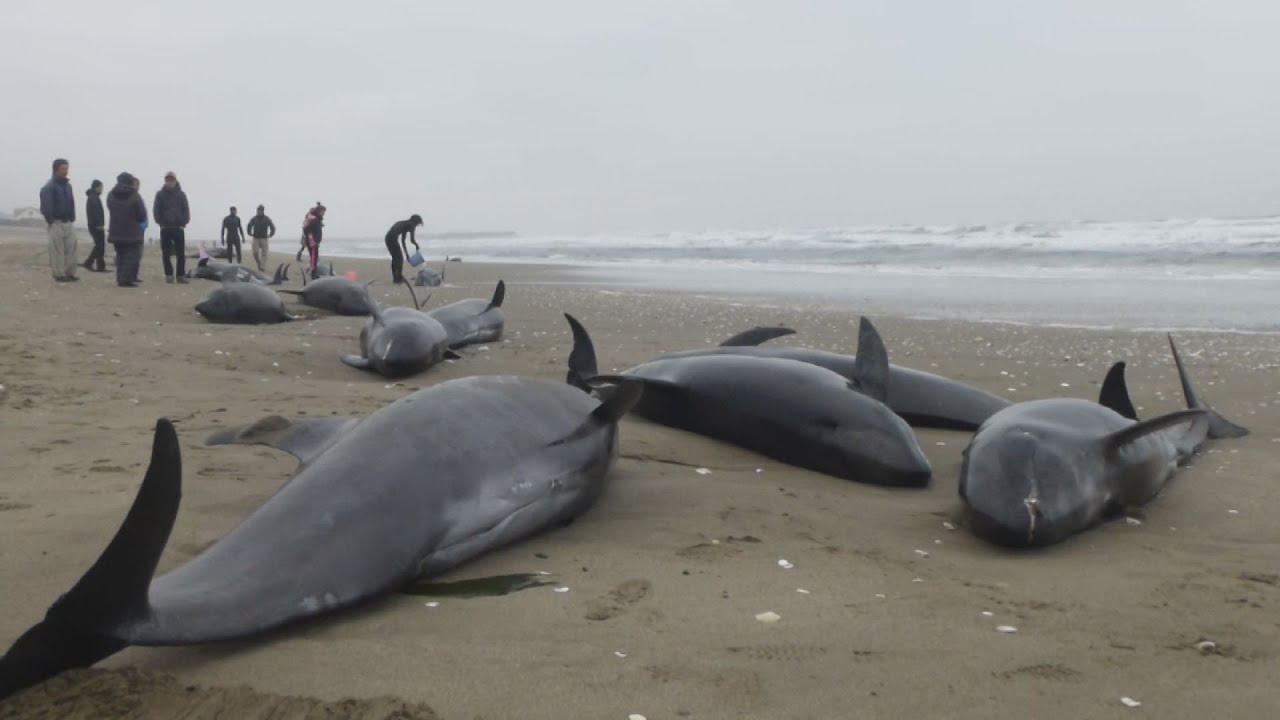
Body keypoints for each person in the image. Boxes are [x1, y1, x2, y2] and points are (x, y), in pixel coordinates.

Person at [38, 158, 79, 282]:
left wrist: (72, 217)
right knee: (57, 249)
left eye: (67, 168)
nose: (66, 171)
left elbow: (71, 202)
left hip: (68, 222)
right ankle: (58, 274)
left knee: (72, 247)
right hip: (56, 222)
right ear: (56, 170)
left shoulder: (68, 186)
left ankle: (69, 272)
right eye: (63, 169)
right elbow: (45, 206)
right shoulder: (49, 187)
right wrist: (51, 220)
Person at [106, 172, 147, 288]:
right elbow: (142, 213)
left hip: (116, 230)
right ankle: (126, 280)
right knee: (131, 255)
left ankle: (121, 278)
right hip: (132, 231)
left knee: (120, 255)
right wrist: (139, 222)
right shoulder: (134, 195)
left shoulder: (111, 194)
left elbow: (110, 207)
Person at [153, 171, 190, 284]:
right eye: (168, 180)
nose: (170, 182)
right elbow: (156, 210)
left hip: (178, 227)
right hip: (165, 228)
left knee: (180, 253)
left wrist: (184, 222)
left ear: (175, 180)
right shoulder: (160, 194)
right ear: (165, 181)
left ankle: (180, 275)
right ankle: (169, 275)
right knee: (166, 253)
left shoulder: (181, 194)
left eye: (171, 179)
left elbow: (186, 210)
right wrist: (160, 222)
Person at [384, 214, 424, 284]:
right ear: (416, 222)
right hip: (392, 237)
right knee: (399, 259)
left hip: (387, 237)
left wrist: (407, 254)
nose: (417, 226)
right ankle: (398, 277)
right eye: (418, 224)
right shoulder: (411, 225)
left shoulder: (405, 224)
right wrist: (416, 245)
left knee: (395, 258)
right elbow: (412, 240)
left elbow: (403, 241)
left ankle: (396, 278)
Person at [81, 179, 107, 272]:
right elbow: (96, 212)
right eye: (101, 187)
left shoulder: (93, 196)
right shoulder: (93, 197)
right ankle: (100, 267)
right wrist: (99, 224)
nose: (102, 189)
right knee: (100, 245)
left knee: (98, 245)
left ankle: (88, 263)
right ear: (97, 187)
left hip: (93, 224)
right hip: (96, 225)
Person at [246, 204, 276, 271]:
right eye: (258, 210)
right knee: (255, 252)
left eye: (260, 210)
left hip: (264, 238)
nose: (259, 212)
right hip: (256, 238)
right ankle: (258, 262)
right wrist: (249, 233)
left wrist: (271, 234)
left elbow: (272, 227)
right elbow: (249, 225)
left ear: (263, 211)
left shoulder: (267, 219)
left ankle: (262, 266)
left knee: (264, 254)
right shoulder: (254, 219)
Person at [303, 204, 326, 278]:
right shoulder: (314, 219)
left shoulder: (317, 219)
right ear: (318, 211)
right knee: (314, 258)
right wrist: (312, 240)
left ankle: (314, 272)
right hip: (312, 242)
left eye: (324, 212)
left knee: (314, 258)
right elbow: (306, 229)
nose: (324, 213)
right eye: (322, 211)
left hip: (315, 242)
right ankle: (313, 274)